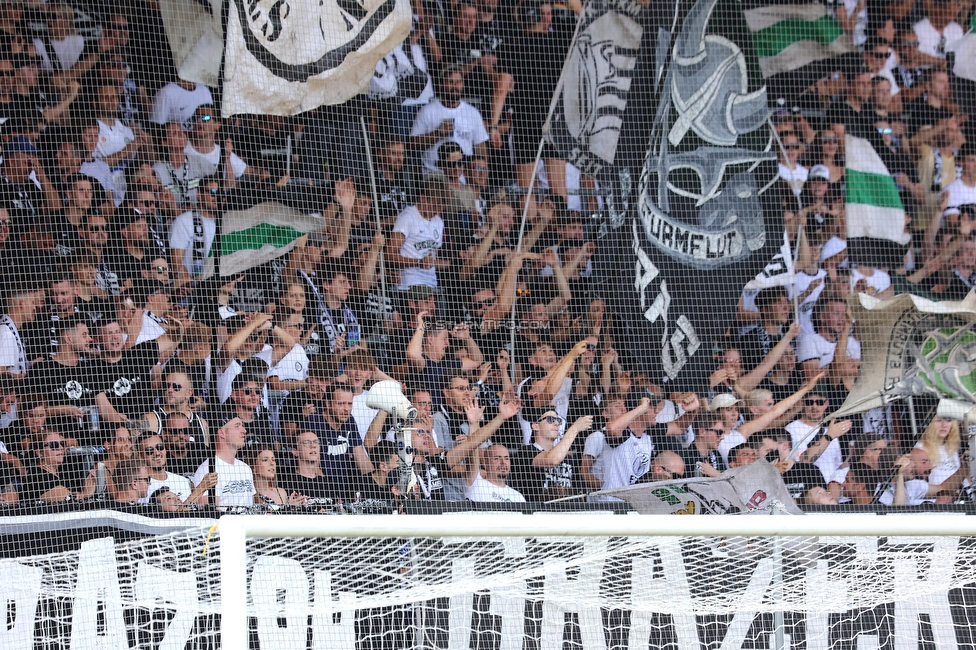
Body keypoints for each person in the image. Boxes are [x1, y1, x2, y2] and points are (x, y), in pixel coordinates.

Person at [510, 409, 593, 501]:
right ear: (535, 426)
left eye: (558, 420)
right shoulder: (525, 452)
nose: (556, 423)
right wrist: (575, 428)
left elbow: (579, 493)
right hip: (539, 511)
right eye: (550, 419)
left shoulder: (568, 457)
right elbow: (552, 460)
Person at [191, 411, 255, 510]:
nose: (244, 430)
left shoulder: (245, 468)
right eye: (237, 426)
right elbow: (207, 512)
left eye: (242, 425)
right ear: (221, 433)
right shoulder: (208, 470)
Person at [21, 430, 96, 503]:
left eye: (62, 444)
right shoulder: (37, 476)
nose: (60, 448)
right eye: (53, 445)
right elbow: (68, 499)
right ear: (39, 452)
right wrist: (86, 493)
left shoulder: (62, 473)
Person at [915, 416, 966, 498]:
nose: (944, 425)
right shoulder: (920, 448)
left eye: (949, 420)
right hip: (934, 501)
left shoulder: (952, 447)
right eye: (939, 421)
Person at [135, 432, 192, 504]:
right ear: (140, 456)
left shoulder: (182, 481)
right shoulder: (139, 486)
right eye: (149, 451)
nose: (157, 453)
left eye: (160, 447)